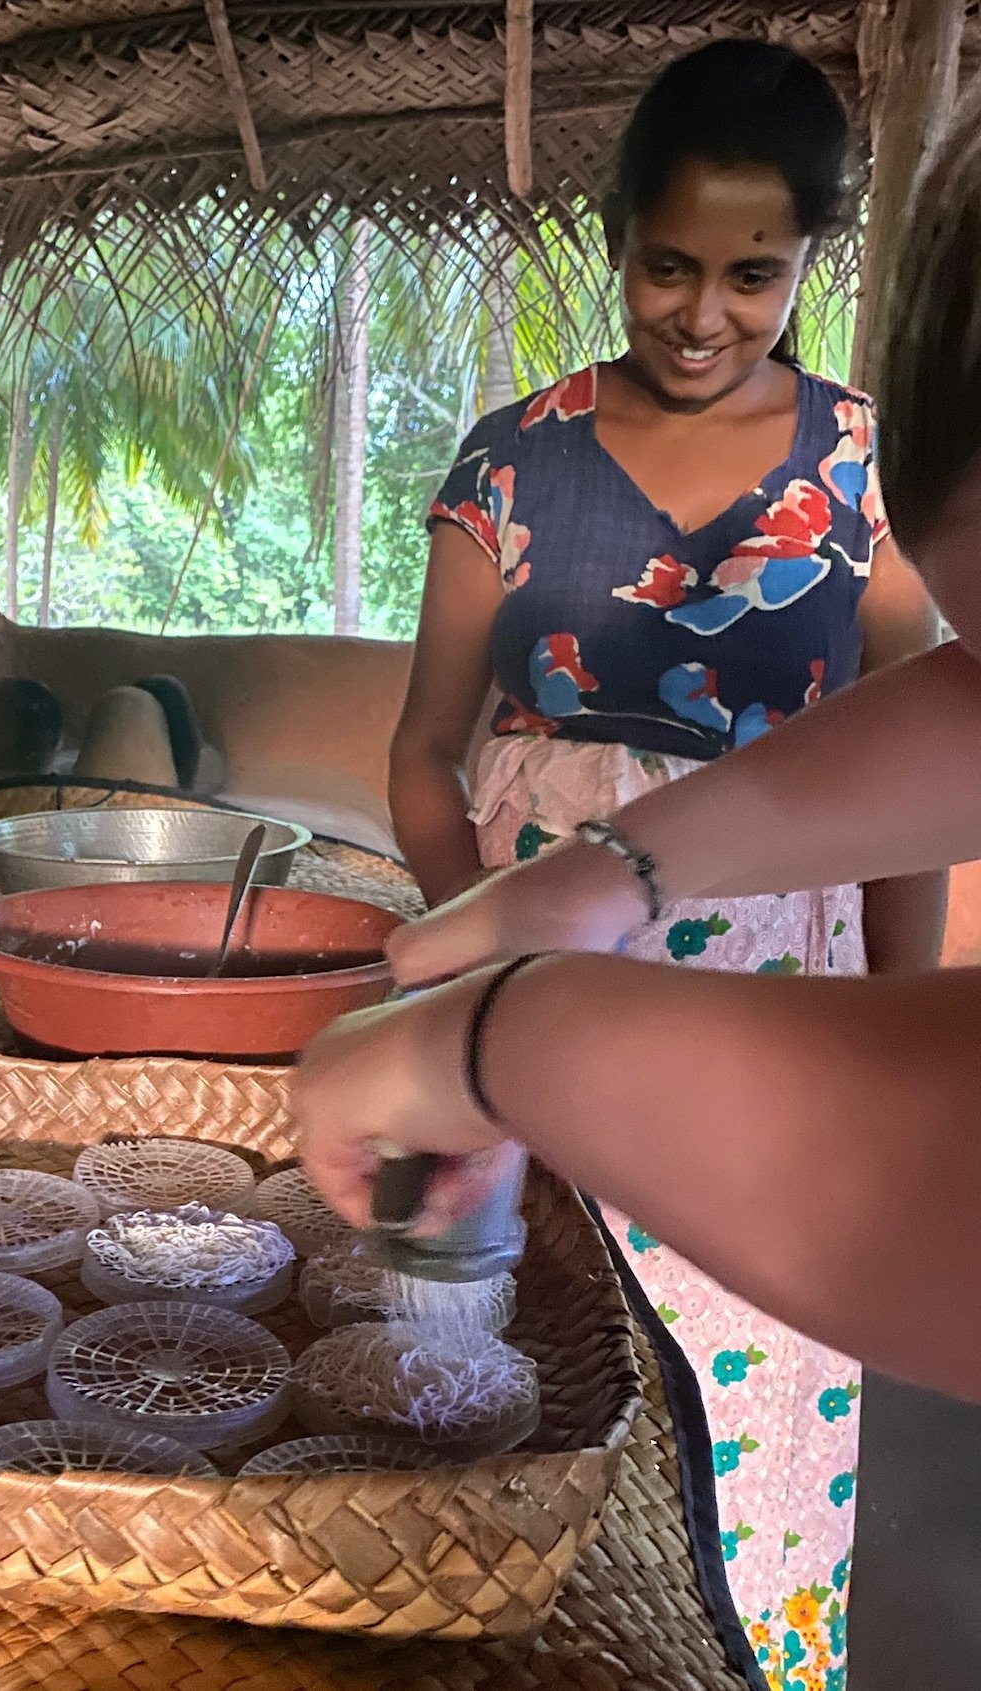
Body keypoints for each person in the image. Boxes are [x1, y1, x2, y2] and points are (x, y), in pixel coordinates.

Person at [298, 57, 981, 1688]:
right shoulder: (516, 460)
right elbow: (951, 716)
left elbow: (917, 1180)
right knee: (536, 1364)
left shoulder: (850, 462)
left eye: (753, 273)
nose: (704, 311)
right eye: (671, 265)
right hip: (566, 946)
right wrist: (603, 873)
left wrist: (500, 1037)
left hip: (745, 991)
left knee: (743, 1411)